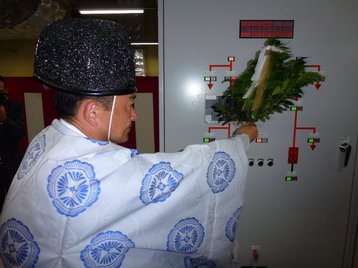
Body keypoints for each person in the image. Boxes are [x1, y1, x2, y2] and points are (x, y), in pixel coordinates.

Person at [0, 19, 258, 268]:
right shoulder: (98, 172)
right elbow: (184, 175)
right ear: (93, 112)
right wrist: (240, 141)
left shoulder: (47, 137)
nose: (134, 115)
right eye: (131, 103)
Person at [0, 75, 25, 211]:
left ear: (6, 91)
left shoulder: (14, 106)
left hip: (11, 164)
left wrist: (4, 120)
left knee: (14, 206)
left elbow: (19, 134)